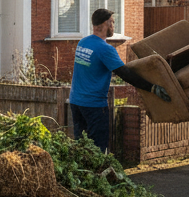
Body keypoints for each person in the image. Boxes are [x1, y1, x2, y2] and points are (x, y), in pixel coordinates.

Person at [68, 8, 164, 153]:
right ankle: (97, 175)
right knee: (97, 149)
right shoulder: (105, 49)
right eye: (111, 22)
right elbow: (125, 73)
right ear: (101, 26)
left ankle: (81, 175)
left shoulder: (83, 43)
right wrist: (152, 88)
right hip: (94, 106)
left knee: (81, 147)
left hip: (76, 102)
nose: (114, 26)